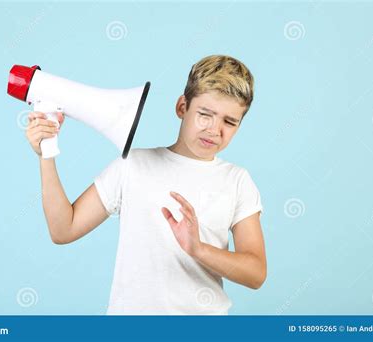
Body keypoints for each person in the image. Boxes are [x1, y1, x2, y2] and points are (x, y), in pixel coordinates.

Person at [25, 55, 266, 315]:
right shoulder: (132, 165)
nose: (215, 129)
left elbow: (255, 274)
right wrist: (45, 156)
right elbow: (63, 230)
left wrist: (198, 249)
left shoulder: (237, 180)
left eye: (230, 122)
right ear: (182, 107)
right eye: (205, 115)